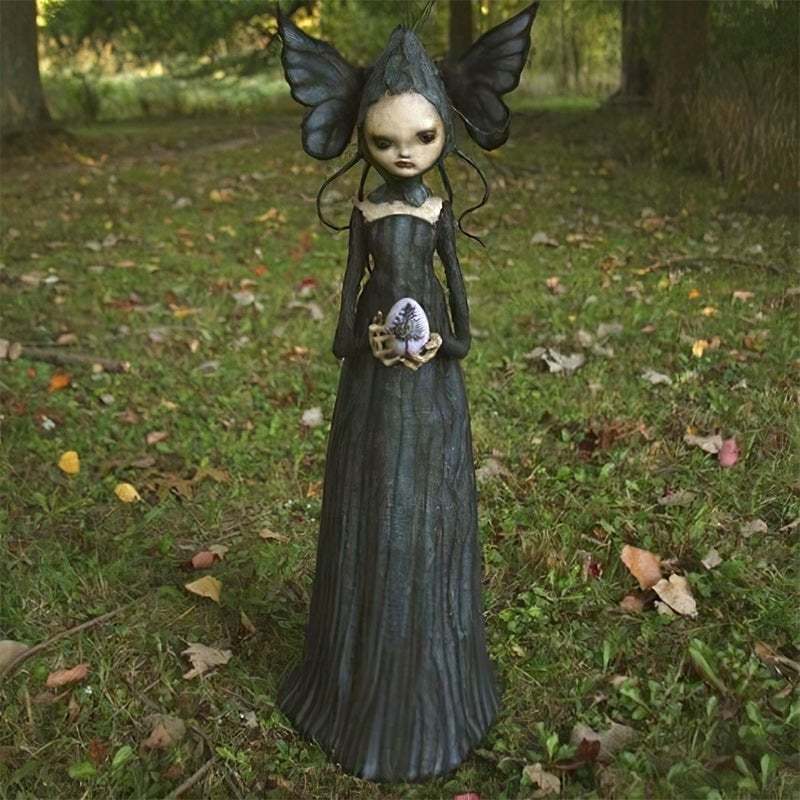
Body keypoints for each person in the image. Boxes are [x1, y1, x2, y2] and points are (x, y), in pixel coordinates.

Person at [276, 4, 539, 782]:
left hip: (431, 392)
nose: (403, 153)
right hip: (372, 388)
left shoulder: (437, 211)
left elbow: (462, 318)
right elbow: (341, 321)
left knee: (427, 511)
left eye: (422, 137)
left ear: (445, 132)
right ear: (360, 136)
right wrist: (367, 342)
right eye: (384, 139)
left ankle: (436, 681)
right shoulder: (365, 212)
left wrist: (438, 346)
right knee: (372, 509)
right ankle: (352, 680)